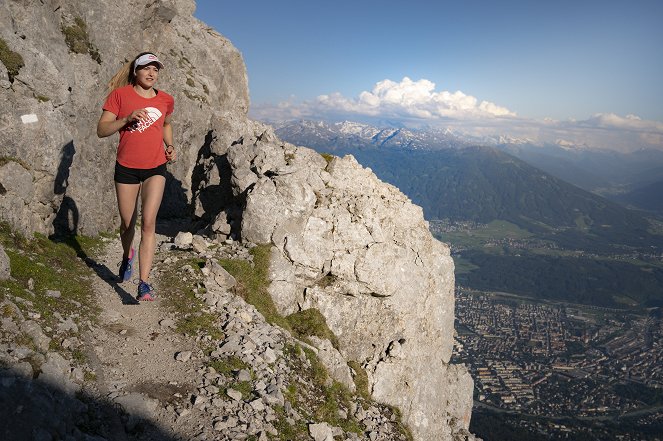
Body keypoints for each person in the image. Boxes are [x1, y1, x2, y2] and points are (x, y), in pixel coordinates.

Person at [97, 52, 176, 301]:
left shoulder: (165, 99)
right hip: (127, 168)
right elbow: (101, 130)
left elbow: (165, 124)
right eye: (146, 68)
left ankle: (144, 283)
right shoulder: (120, 96)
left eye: (156, 69)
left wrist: (170, 146)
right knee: (127, 224)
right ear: (136, 71)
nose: (152, 73)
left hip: (156, 167)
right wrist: (126, 119)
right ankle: (126, 256)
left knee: (149, 223)